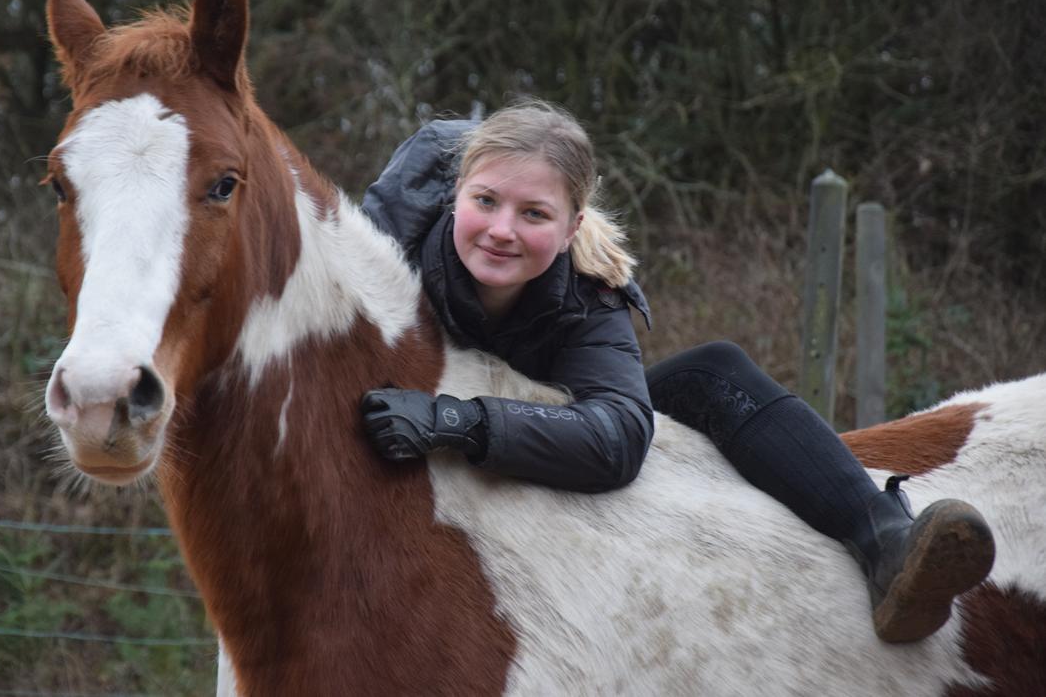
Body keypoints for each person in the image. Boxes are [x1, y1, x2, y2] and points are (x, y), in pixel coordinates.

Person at [358, 99, 994, 644]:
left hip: (530, 411)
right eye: (486, 201)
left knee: (713, 370)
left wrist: (458, 421)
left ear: (573, 225)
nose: (501, 230)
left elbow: (617, 436)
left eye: (534, 214)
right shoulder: (393, 226)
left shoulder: (590, 293)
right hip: (413, 400)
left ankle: (888, 541)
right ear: (455, 195)